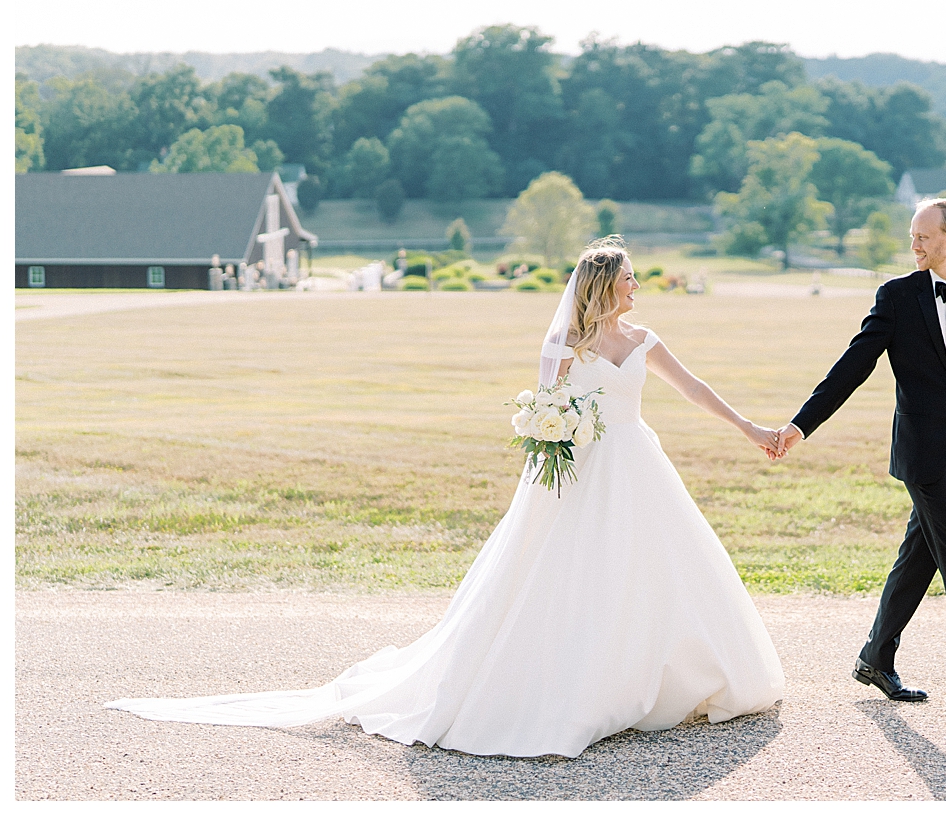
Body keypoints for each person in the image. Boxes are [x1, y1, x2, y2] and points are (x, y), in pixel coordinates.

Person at [108, 238, 786, 758]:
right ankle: (573, 688)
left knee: (652, 570)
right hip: (578, 474)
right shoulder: (563, 342)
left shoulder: (645, 340)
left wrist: (751, 428)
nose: (640, 285)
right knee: (567, 575)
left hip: (637, 465)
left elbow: (694, 388)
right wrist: (553, 433)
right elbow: (545, 409)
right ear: (607, 284)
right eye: (631, 276)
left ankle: (661, 675)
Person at [772, 198, 946, 719]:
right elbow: (853, 366)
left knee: (922, 553)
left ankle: (875, 656)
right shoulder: (896, 296)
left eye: (922, 236)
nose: (913, 244)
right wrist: (801, 425)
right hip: (923, 454)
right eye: (912, 235)